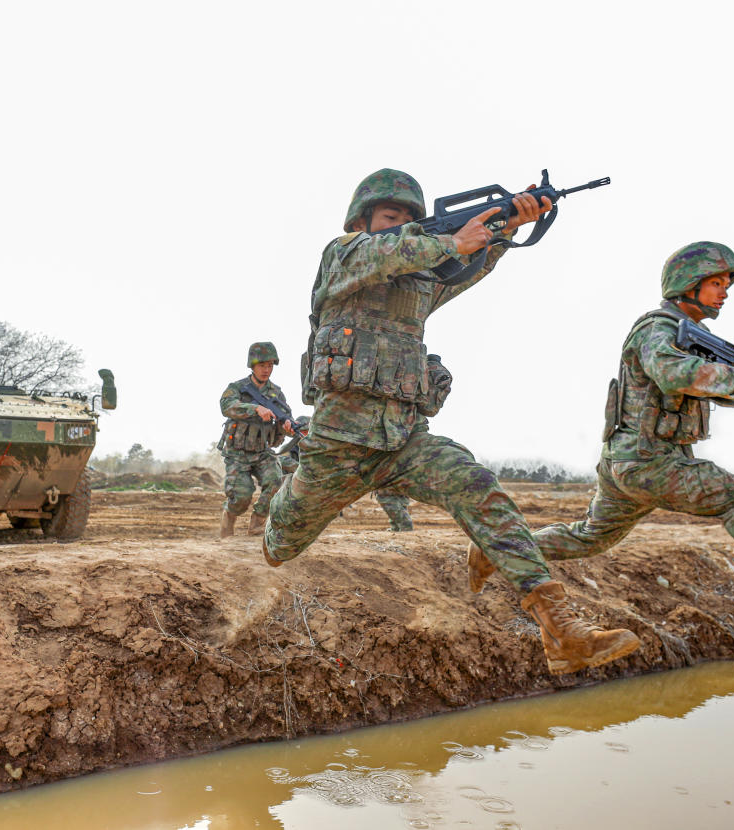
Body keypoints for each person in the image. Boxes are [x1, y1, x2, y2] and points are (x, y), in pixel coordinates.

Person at [264, 168, 641, 675]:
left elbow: (463, 269)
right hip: (337, 447)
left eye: (408, 217)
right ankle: (277, 511)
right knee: (280, 545)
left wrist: (509, 227)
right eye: (390, 216)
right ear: (362, 221)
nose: (399, 224)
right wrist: (449, 238)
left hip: (404, 441)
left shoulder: (417, 283)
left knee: (477, 483)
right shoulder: (343, 256)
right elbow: (395, 251)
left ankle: (561, 632)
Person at [469, 241, 734, 655]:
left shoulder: (694, 337)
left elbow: (721, 390)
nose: (725, 292)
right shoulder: (657, 329)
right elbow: (672, 372)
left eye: (725, 284)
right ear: (688, 284)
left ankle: (496, 549)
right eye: (716, 283)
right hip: (650, 462)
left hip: (629, 461)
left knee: (590, 538)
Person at [277, 419, 412, 531]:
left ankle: (403, 528)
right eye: (303, 432)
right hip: (300, 484)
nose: (306, 435)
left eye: (308, 431)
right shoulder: (293, 447)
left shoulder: (324, 444)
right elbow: (281, 460)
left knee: (391, 499)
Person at [218, 342, 293, 537]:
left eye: (270, 366)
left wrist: (288, 427)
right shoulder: (238, 388)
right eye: (262, 365)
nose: (266, 370)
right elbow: (227, 406)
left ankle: (257, 524)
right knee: (241, 496)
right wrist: (254, 409)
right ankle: (229, 518)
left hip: (262, 453)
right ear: (252, 365)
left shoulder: (276, 393)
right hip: (237, 454)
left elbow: (286, 418)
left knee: (276, 482)